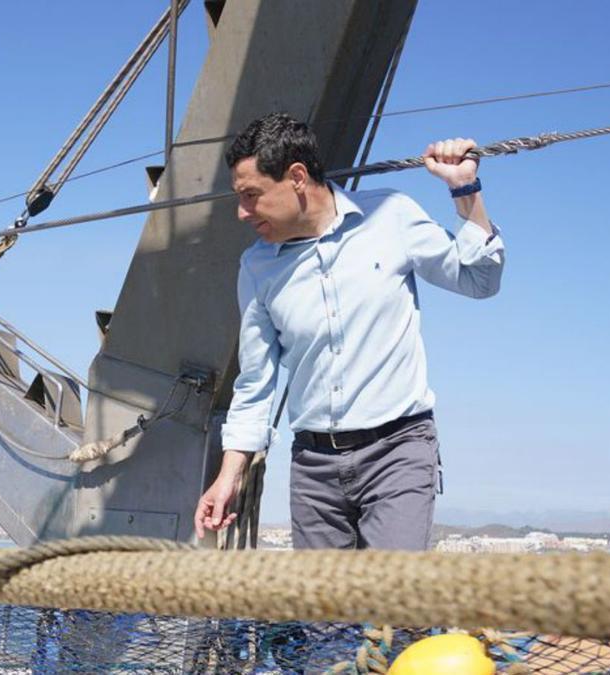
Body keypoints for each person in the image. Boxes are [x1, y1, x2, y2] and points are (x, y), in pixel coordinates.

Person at [194, 113, 504, 550]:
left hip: (398, 451)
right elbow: (256, 383)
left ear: (297, 177)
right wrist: (228, 477)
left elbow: (480, 281)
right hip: (314, 468)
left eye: (251, 196)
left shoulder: (391, 215)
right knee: (325, 618)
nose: (241, 212)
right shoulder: (256, 267)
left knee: (396, 610)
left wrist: (464, 189)